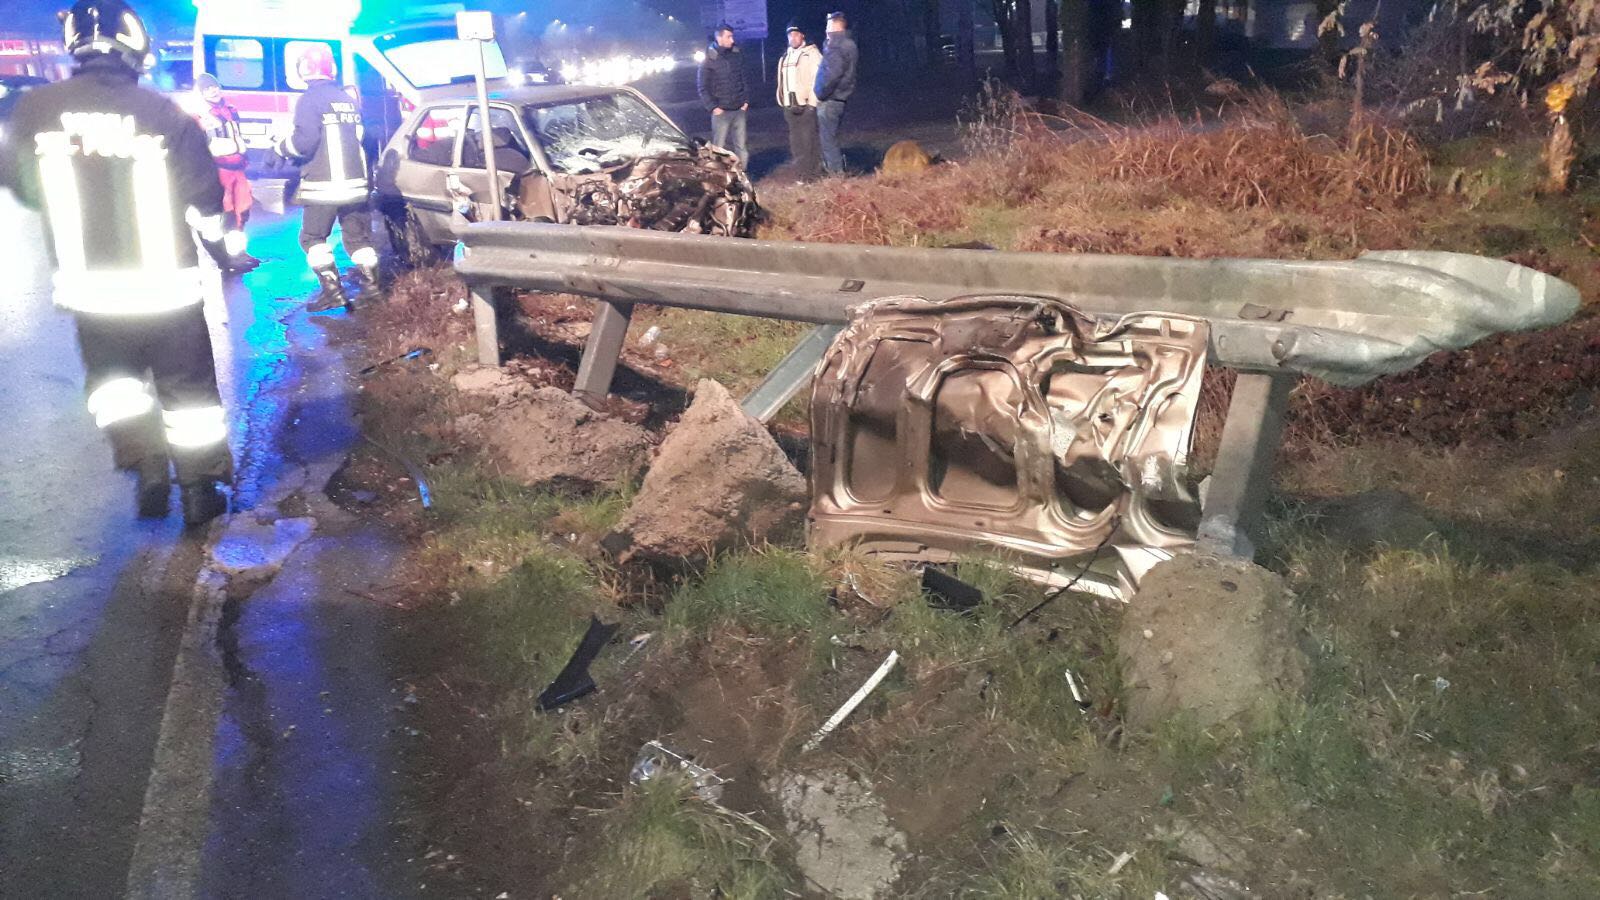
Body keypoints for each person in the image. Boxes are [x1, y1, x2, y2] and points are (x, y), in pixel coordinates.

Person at [4, 0, 235, 527]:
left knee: (115, 385)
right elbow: (205, 197)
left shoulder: (36, 108)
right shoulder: (164, 114)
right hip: (168, 291)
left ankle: (146, 464)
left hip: (91, 292)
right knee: (189, 395)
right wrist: (222, 251)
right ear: (135, 43)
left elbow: (18, 181)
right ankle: (199, 494)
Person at [270, 43, 378, 313]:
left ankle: (333, 292)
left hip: (324, 186)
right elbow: (363, 138)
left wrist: (280, 149)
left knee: (312, 237)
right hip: (357, 185)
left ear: (304, 70)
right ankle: (373, 289)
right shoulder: (348, 100)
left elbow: (305, 142)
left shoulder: (309, 100)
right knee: (358, 239)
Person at [192, 72, 259, 274]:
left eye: (214, 86)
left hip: (237, 168)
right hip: (219, 170)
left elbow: (237, 136)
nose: (213, 91)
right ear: (201, 92)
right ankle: (226, 257)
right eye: (207, 88)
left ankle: (238, 253)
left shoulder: (230, 110)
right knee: (226, 213)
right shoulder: (200, 115)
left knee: (242, 211)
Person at [696, 23, 749, 167]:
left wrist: (745, 101)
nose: (732, 40)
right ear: (719, 38)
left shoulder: (736, 54)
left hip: (739, 109)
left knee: (741, 147)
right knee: (718, 149)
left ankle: (742, 175)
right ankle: (719, 175)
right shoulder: (709, 59)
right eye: (729, 37)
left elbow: (743, 78)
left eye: (732, 36)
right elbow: (702, 87)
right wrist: (713, 107)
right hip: (721, 112)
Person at [776, 21, 823, 181]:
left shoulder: (811, 53)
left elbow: (817, 79)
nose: (793, 38)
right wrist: (782, 100)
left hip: (806, 105)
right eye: (790, 35)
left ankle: (812, 174)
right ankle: (802, 173)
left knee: (809, 141)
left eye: (796, 34)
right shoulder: (786, 56)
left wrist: (812, 103)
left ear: (802, 36)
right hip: (789, 105)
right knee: (796, 143)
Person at [815, 11, 859, 176]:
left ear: (835, 26)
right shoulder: (849, 44)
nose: (826, 29)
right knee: (831, 137)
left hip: (831, 99)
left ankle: (836, 174)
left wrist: (820, 93)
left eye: (828, 25)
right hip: (840, 98)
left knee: (828, 140)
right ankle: (836, 171)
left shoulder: (836, 46)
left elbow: (832, 75)